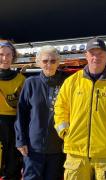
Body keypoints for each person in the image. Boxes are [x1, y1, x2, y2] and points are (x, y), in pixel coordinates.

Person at [54, 37, 106, 180]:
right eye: (92, 53)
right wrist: (65, 133)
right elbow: (60, 109)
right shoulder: (71, 82)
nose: (96, 57)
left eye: (100, 54)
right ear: (86, 56)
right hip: (76, 154)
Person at [15, 45, 66, 180]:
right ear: (38, 62)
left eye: (53, 61)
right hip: (33, 149)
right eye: (45, 61)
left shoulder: (66, 83)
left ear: (59, 62)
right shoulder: (30, 83)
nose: (49, 64)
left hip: (57, 149)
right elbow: (22, 114)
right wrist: (20, 141)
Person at [0, 39, 25, 180]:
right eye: (1, 54)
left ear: (13, 56)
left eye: (8, 55)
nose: (5, 58)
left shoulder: (21, 79)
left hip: (13, 125)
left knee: (12, 167)